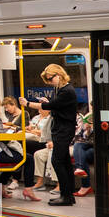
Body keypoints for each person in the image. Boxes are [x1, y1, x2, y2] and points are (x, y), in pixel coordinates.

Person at [20, 63, 79, 207]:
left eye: (50, 79)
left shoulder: (66, 91)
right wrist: (50, 103)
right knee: (64, 161)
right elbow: (56, 106)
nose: (49, 82)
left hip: (63, 130)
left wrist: (28, 103)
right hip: (62, 129)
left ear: (58, 75)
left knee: (57, 161)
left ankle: (66, 196)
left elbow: (50, 107)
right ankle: (68, 195)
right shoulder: (60, 89)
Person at [72, 103, 95, 196]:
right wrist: (88, 129)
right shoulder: (90, 117)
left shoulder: (105, 116)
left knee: (83, 155)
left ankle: (86, 186)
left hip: (99, 147)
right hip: (89, 143)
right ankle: (79, 168)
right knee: (78, 145)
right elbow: (84, 136)